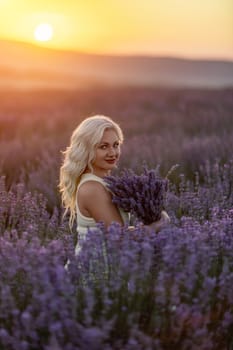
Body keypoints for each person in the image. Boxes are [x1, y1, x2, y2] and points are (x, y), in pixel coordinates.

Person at [59, 115, 169, 255]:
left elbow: (113, 230)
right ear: (86, 150)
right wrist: (158, 224)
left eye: (116, 145)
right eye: (103, 146)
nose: (113, 153)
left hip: (108, 268)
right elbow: (120, 239)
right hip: (92, 271)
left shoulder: (102, 183)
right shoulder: (92, 188)